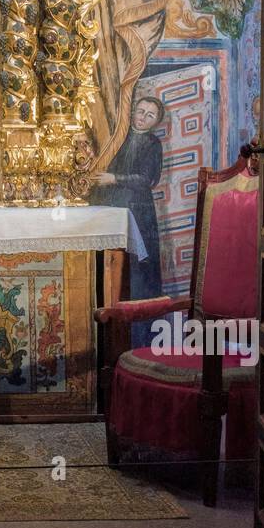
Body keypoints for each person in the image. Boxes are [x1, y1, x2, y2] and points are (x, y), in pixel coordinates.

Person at [90, 94, 165, 344]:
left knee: (138, 272)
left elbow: (147, 180)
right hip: (110, 205)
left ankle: (141, 338)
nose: (142, 117)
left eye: (149, 115)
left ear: (156, 122)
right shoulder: (116, 137)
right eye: (140, 111)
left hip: (138, 211)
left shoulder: (153, 144)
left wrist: (115, 179)